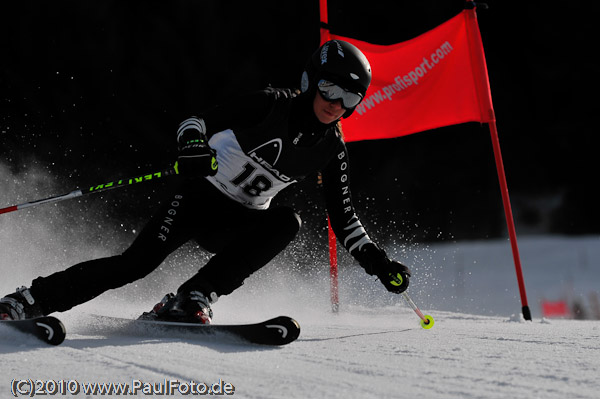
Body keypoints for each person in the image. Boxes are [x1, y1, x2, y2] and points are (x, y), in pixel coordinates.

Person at [0, 40, 411, 324]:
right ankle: (28, 301)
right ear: (310, 81)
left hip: (240, 223)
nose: (336, 103)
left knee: (288, 222)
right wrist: (194, 146)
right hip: (197, 197)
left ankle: (193, 296)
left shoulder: (332, 150)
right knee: (135, 265)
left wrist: (379, 263)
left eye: (350, 98)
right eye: (330, 88)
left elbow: (344, 218)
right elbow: (195, 122)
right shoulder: (270, 105)